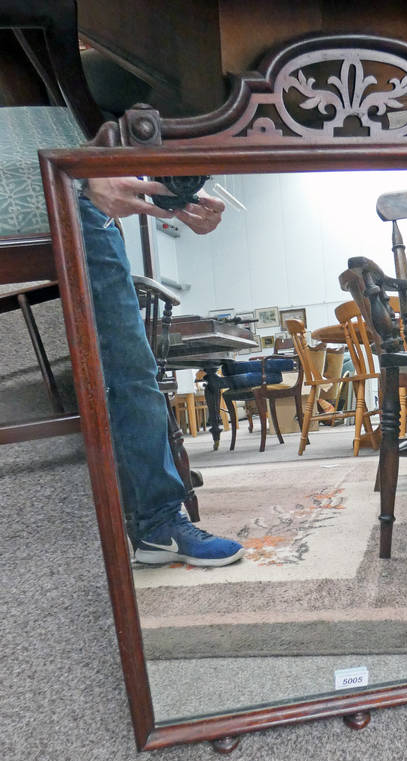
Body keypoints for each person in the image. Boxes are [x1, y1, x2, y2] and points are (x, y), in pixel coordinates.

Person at [79, 176, 244, 567]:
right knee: (132, 376)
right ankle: (155, 524)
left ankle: (155, 527)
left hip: (86, 209)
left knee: (132, 375)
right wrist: (81, 183)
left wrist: (177, 195)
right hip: (62, 207)